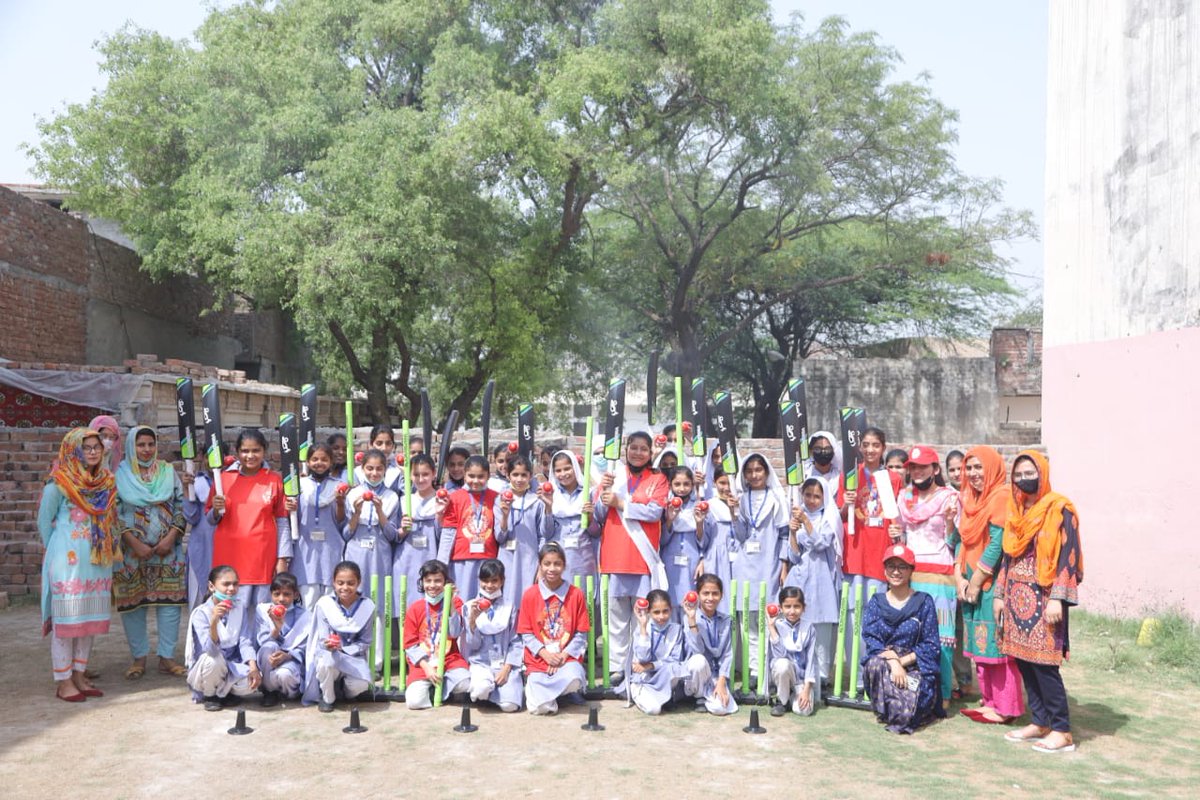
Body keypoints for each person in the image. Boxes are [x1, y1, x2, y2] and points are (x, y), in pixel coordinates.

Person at [995, 450, 1083, 753]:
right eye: (1018, 475)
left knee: (1045, 665)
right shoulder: (1016, 511)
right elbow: (1008, 556)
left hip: (1045, 599)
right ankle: (1041, 720)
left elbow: (1068, 558)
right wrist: (999, 596)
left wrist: (1058, 598)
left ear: (1042, 473)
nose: (1023, 480)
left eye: (1029, 473)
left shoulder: (1060, 509)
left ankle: (1062, 730)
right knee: (1024, 662)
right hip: (1016, 599)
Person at [38, 427, 120, 702]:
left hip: (97, 564)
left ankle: (79, 674)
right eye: (87, 447)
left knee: (88, 621)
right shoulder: (58, 484)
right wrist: (62, 549)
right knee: (68, 622)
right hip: (68, 565)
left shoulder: (107, 482)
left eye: (97, 446)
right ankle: (63, 681)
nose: (94, 451)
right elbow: (44, 524)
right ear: (73, 450)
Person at [593, 431, 670, 687]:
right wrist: (604, 492)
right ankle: (616, 667)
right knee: (616, 620)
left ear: (650, 453)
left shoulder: (658, 479)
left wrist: (621, 502)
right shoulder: (614, 475)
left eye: (643, 449)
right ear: (625, 449)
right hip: (614, 557)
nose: (637, 452)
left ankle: (638, 662)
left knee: (641, 618)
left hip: (642, 559)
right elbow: (599, 515)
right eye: (633, 447)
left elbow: (654, 511)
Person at [956, 446, 1024, 725]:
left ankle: (1006, 707)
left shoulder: (1000, 496)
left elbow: (997, 543)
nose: (973, 474)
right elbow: (963, 540)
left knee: (997, 645)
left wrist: (976, 580)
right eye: (968, 468)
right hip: (970, 580)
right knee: (980, 643)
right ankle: (991, 700)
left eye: (978, 467)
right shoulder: (971, 498)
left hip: (990, 582)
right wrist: (959, 577)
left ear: (993, 468)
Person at [113, 425, 187, 680]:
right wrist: (134, 543)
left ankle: (167, 658)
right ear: (131, 447)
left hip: (168, 552)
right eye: (140, 445)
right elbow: (113, 512)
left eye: (150, 444)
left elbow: (181, 505)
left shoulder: (168, 472)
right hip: (131, 554)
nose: (146, 450)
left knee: (170, 606)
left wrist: (170, 537)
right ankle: (139, 658)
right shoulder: (119, 474)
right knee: (134, 605)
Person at [838, 427, 903, 691]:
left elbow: (897, 519)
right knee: (854, 616)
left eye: (875, 445)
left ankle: (873, 671)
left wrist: (898, 533)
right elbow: (840, 516)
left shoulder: (892, 480)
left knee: (875, 618)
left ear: (883, 447)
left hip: (878, 558)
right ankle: (855, 672)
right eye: (865, 445)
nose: (870, 450)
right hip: (854, 555)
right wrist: (847, 504)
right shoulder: (849, 476)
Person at [207, 429, 294, 623]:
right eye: (245, 451)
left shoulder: (275, 480)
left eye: (256, 450)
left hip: (262, 559)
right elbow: (210, 519)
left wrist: (282, 559)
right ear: (237, 452)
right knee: (230, 615)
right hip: (229, 558)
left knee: (259, 616)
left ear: (264, 451)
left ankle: (255, 652)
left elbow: (282, 522)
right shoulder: (223, 479)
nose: (250, 456)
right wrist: (215, 509)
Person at [898, 445, 959, 704]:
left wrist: (948, 522)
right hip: (911, 574)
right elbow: (901, 534)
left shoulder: (950, 498)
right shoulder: (903, 497)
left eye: (923, 467)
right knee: (913, 636)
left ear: (935, 469)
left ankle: (942, 693)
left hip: (940, 574)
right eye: (913, 467)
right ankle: (916, 690)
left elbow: (956, 541)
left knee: (942, 637)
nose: (918, 472)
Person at [861, 545, 944, 734]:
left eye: (902, 567)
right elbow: (872, 640)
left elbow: (931, 645)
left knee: (906, 713)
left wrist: (902, 662)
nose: (896, 572)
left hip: (915, 665)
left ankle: (900, 711)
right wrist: (892, 661)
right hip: (885, 664)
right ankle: (891, 709)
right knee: (874, 665)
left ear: (911, 571)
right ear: (884, 570)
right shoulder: (876, 602)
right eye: (891, 566)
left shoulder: (924, 602)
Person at [731, 452, 789, 681]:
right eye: (749, 471)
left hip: (770, 563)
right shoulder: (741, 499)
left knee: (769, 617)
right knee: (748, 619)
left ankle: (770, 667)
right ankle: (754, 670)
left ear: (766, 472)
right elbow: (741, 535)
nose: (754, 475)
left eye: (759, 470)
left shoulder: (777, 497)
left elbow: (785, 534)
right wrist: (733, 512)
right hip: (746, 565)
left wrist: (784, 566)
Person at [517, 543, 590, 715]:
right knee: (539, 709)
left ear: (564, 566)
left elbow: (581, 634)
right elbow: (526, 633)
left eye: (557, 564)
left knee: (575, 678)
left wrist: (562, 657)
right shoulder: (530, 594)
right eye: (547, 564)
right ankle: (551, 694)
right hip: (539, 659)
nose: (552, 568)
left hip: (566, 660)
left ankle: (552, 692)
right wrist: (546, 655)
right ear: (540, 566)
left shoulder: (576, 594)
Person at [782, 477, 842, 681]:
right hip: (799, 575)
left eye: (817, 496)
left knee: (821, 627)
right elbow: (793, 555)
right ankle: (798, 671)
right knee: (798, 622)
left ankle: (823, 676)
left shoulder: (829, 518)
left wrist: (806, 522)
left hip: (821, 575)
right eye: (807, 495)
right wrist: (792, 531)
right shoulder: (797, 517)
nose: (811, 500)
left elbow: (820, 543)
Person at [303, 560, 375, 712]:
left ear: (359, 583)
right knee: (325, 663)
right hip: (331, 655)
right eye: (340, 583)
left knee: (360, 685)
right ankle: (328, 697)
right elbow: (323, 639)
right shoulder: (325, 604)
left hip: (353, 657)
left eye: (350, 583)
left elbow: (365, 641)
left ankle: (342, 689)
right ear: (333, 583)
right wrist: (329, 645)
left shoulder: (367, 606)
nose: (345, 588)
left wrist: (346, 649)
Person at [185, 565, 260, 711]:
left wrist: (253, 667)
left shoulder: (239, 608)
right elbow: (210, 650)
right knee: (214, 660)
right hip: (208, 666)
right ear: (212, 587)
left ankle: (225, 693)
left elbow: (245, 641)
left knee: (252, 682)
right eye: (226, 584)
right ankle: (210, 695)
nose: (231, 588)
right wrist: (213, 622)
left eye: (235, 584)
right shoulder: (201, 613)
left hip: (231, 664)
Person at [403, 559, 469, 709]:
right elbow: (409, 644)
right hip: (423, 662)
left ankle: (442, 686)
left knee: (465, 684)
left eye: (438, 581)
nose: (432, 585)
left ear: (446, 582)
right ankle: (431, 690)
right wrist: (426, 667)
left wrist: (451, 604)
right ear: (422, 582)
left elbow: (455, 633)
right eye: (428, 581)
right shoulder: (415, 608)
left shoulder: (456, 602)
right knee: (414, 702)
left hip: (449, 659)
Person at [461, 558, 524, 712]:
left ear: (502, 580)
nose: (489, 586)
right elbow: (471, 645)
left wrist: (507, 668)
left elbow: (516, 641)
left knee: (510, 706)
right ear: (479, 580)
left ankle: (500, 692)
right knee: (481, 690)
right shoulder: (470, 606)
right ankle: (488, 691)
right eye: (485, 581)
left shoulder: (510, 607)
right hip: (481, 663)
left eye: (494, 580)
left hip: (503, 663)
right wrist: (473, 621)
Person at [342, 449, 399, 609]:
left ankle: (379, 634)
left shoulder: (392, 497)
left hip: (380, 554)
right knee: (355, 594)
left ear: (385, 470)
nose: (374, 473)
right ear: (362, 469)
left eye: (379, 469)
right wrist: (357, 513)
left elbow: (392, 535)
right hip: (356, 552)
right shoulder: (354, 494)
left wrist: (380, 512)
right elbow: (346, 534)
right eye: (370, 468)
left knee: (379, 600)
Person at [438, 455, 500, 599]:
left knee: (486, 600)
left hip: (488, 558)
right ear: (464, 475)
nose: (476, 481)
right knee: (463, 599)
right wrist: (442, 565)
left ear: (488, 476)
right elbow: (448, 532)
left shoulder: (496, 497)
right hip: (461, 559)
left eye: (481, 476)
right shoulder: (455, 498)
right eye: (471, 476)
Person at [293, 443, 346, 609]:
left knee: (330, 607)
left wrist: (339, 502)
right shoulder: (299, 486)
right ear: (308, 462)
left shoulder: (339, 486)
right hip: (305, 554)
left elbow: (341, 521)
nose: (319, 463)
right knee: (307, 606)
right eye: (314, 459)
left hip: (330, 552)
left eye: (324, 459)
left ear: (331, 462)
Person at [544, 449, 599, 599]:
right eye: (558, 470)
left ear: (575, 467)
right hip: (559, 560)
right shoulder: (550, 495)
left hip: (583, 559)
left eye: (567, 468)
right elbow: (547, 533)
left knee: (583, 600)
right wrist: (548, 507)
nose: (563, 474)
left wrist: (590, 517)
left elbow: (596, 533)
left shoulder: (589, 493)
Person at [659, 466, 710, 623]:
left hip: (691, 561)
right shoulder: (665, 506)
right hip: (669, 561)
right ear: (670, 485)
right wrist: (669, 520)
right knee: (670, 606)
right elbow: (661, 541)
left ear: (692, 484)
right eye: (677, 484)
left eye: (686, 484)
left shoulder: (700, 505)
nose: (681, 489)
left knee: (690, 603)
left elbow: (704, 541)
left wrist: (699, 523)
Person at [682, 573, 737, 716]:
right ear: (698, 595)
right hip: (696, 673)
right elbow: (697, 650)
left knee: (721, 709)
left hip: (716, 675)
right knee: (699, 661)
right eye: (705, 593)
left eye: (715, 593)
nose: (710, 598)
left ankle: (709, 696)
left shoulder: (726, 620)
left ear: (721, 595)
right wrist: (692, 620)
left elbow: (727, 654)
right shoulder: (689, 617)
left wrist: (721, 682)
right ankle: (698, 697)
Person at [254, 571, 311, 706]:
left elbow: (305, 648)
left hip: (291, 660)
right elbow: (263, 642)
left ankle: (290, 694)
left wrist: (287, 656)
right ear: (271, 594)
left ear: (295, 594)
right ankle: (269, 691)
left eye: (286, 594)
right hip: (269, 661)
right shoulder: (263, 610)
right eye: (277, 594)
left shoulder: (306, 616)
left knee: (285, 675)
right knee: (269, 647)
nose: (281, 599)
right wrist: (277, 628)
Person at [628, 589, 687, 715]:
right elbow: (643, 659)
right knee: (654, 709)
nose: (661, 617)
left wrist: (651, 665)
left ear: (671, 609)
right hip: (644, 678)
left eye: (665, 611)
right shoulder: (641, 629)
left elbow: (675, 660)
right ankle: (644, 695)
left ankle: (668, 696)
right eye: (656, 612)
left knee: (674, 668)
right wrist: (643, 627)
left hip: (665, 677)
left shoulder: (676, 629)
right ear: (648, 612)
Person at [496, 454, 544, 604]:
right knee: (506, 598)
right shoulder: (501, 500)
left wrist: (541, 564)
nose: (519, 479)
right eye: (515, 474)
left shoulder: (536, 501)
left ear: (530, 476)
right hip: (507, 557)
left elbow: (543, 535)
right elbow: (499, 537)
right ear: (508, 475)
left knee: (527, 597)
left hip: (529, 558)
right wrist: (504, 516)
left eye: (524, 475)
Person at [394, 453, 442, 606]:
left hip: (431, 555)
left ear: (433, 474)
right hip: (406, 560)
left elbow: (444, 535)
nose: (421, 479)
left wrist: (440, 515)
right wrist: (403, 529)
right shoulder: (403, 500)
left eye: (425, 474)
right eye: (416, 474)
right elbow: (394, 535)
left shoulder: (441, 501)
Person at [767, 586, 819, 717]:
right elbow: (779, 656)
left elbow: (811, 660)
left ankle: (792, 697)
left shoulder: (809, 628)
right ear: (780, 607)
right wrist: (772, 627)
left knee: (803, 711)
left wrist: (806, 690)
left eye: (796, 606)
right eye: (787, 606)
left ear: (803, 607)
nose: (792, 611)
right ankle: (781, 701)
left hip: (801, 680)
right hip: (783, 674)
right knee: (783, 664)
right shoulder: (777, 625)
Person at [354, 424, 403, 494]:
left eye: (388, 443)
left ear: (393, 445)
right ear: (371, 444)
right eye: (379, 443)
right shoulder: (358, 472)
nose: (384, 448)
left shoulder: (400, 470)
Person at [804, 430, 842, 498]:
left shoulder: (840, 478)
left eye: (827, 449)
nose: (823, 452)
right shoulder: (804, 477)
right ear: (811, 451)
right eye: (818, 449)